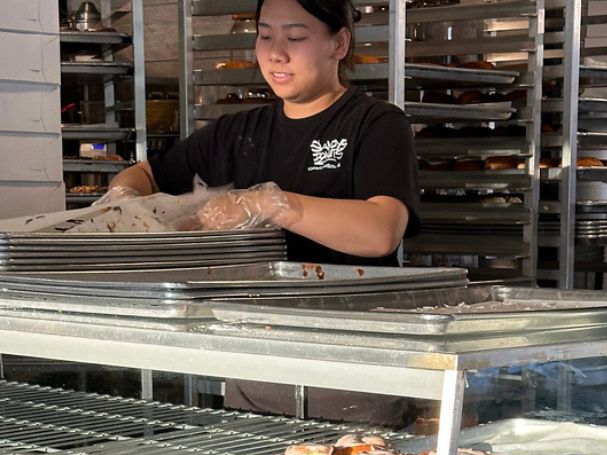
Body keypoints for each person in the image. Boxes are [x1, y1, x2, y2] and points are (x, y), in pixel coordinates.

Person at [105, 0, 421, 423]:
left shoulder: (375, 124)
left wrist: (272, 204)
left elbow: (381, 231)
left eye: (295, 37)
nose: (276, 53)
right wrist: (126, 201)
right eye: (264, 35)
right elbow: (144, 174)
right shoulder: (238, 133)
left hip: (351, 363)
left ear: (339, 43)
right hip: (256, 363)